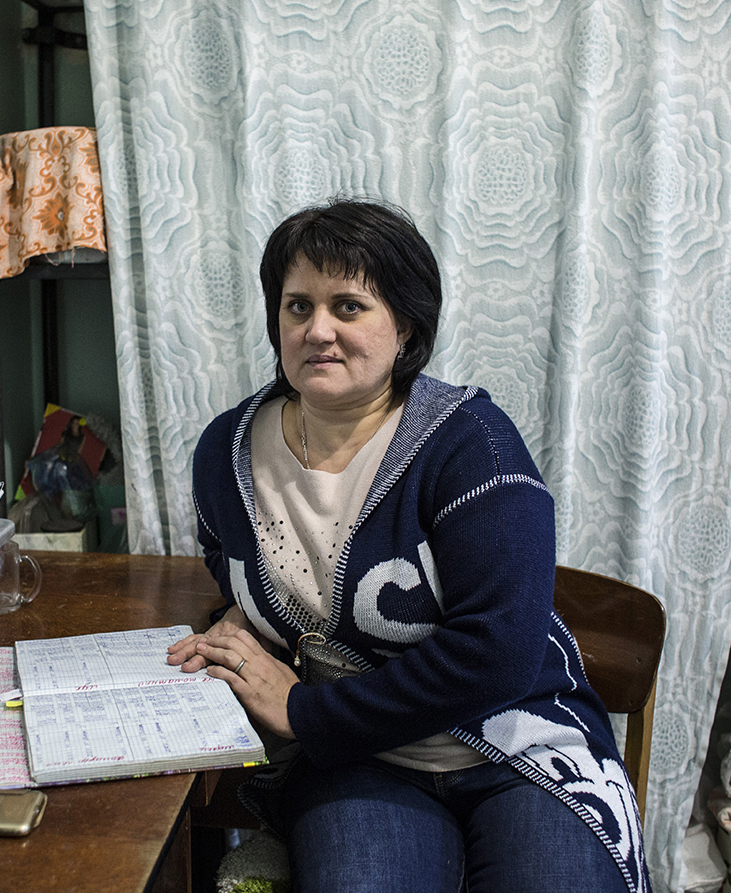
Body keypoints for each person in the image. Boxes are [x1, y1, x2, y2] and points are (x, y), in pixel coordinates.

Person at [167, 199, 646, 893]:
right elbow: (227, 556)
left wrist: (304, 710)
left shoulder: (471, 445)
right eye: (298, 306)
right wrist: (249, 618)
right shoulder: (226, 451)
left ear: (407, 327)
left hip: (517, 747)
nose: (318, 330)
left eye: (348, 306)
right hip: (359, 760)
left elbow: (498, 652)